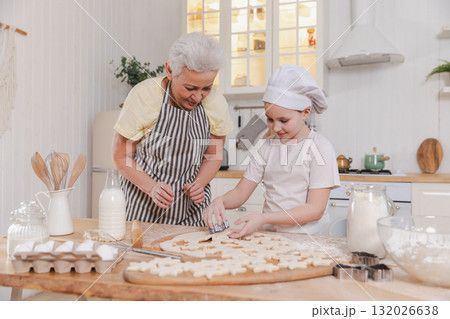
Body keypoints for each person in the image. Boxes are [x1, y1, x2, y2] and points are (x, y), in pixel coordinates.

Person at [202, 64, 340, 238]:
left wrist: (263, 218)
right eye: (270, 119)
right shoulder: (266, 146)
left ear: (305, 112)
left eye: (283, 120)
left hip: (307, 239)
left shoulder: (320, 148)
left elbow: (315, 210)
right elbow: (240, 193)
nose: (276, 127)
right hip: (268, 237)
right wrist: (220, 200)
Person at [112, 33, 233, 226]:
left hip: (194, 211)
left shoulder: (216, 102)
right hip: (142, 208)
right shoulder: (144, 97)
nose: (198, 97)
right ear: (169, 70)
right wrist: (151, 187)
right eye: (190, 88)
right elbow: (121, 156)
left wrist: (200, 183)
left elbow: (214, 155)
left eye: (206, 88)